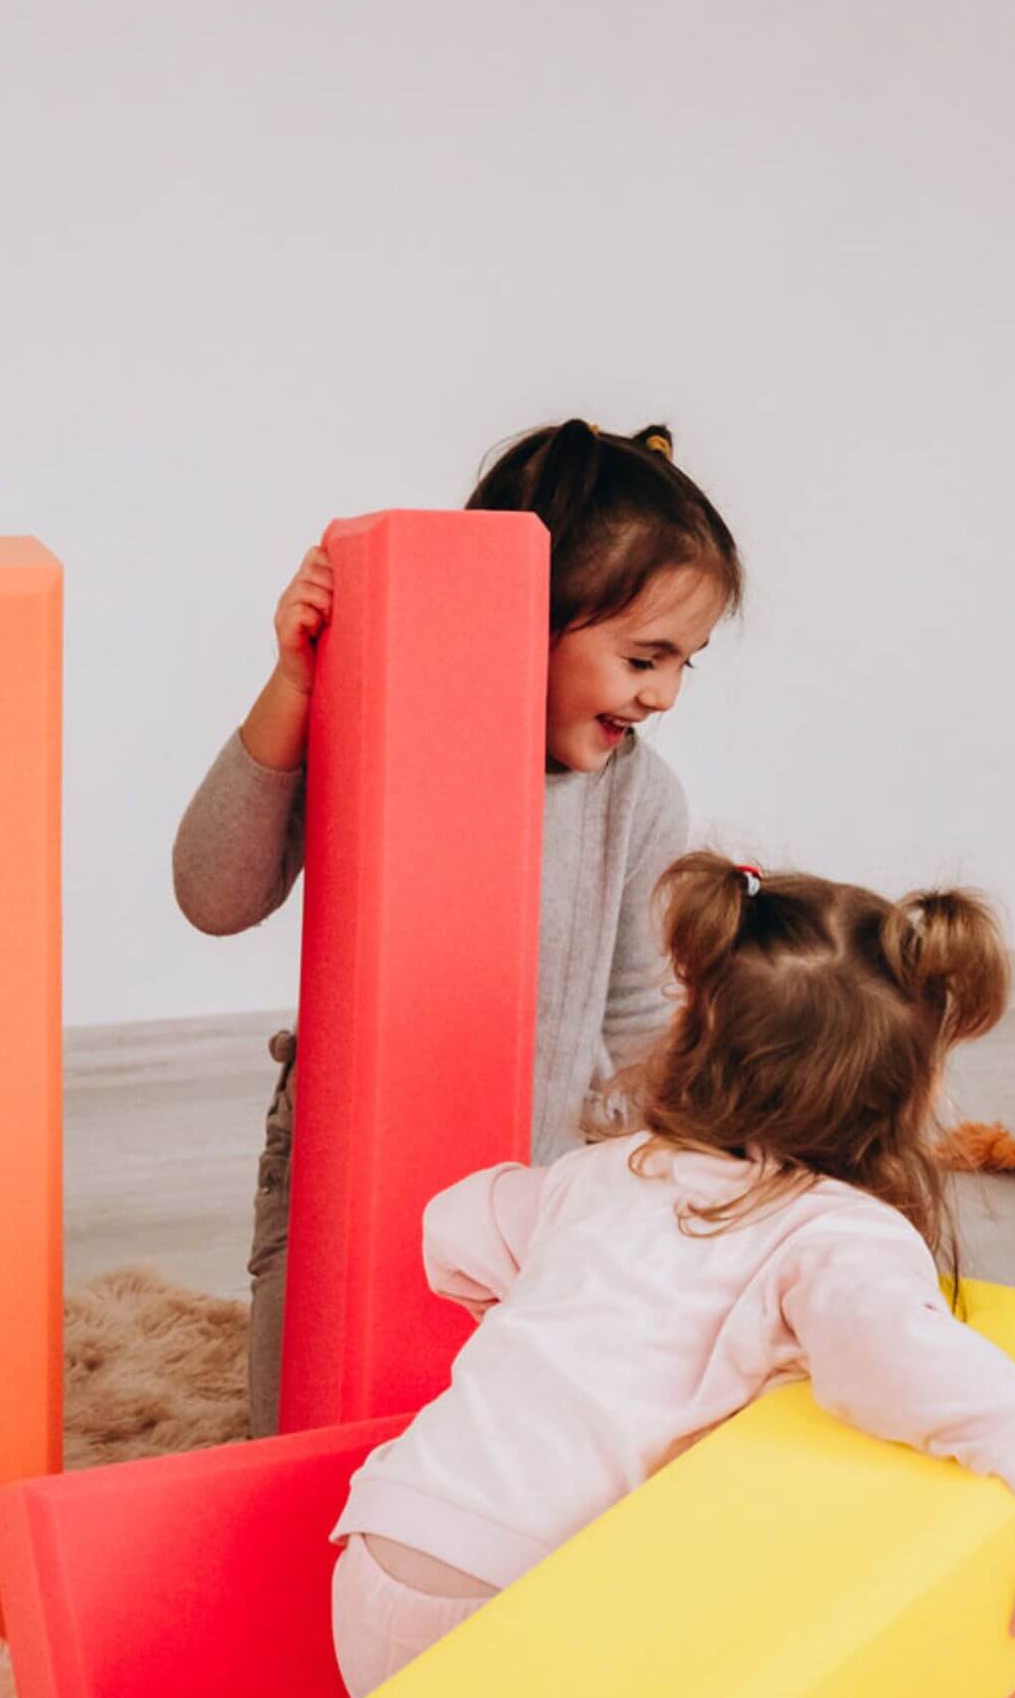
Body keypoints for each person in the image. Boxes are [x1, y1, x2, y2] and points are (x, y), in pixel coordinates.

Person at [329, 853, 1015, 1698]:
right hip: (520, 1599)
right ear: (903, 1097)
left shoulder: (613, 1169)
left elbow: (453, 1225)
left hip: (380, 1546)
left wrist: (540, 1312)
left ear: (693, 1040)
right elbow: (905, 1360)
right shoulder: (838, 1232)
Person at [172, 421, 743, 1436]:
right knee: (312, 1459)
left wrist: (693, 1175)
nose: (660, 693)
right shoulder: (377, 730)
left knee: (506, 1465)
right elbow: (215, 896)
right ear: (525, 616)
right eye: (643, 656)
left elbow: (637, 1012)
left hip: (540, 1196)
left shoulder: (638, 796)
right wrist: (295, 692)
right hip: (346, 1183)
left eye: (685, 664)